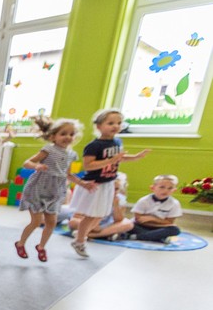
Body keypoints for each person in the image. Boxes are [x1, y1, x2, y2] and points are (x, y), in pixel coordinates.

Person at [69, 108, 150, 258]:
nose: (115, 126)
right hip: (94, 185)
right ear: (99, 126)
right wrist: (110, 160)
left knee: (101, 215)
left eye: (119, 123)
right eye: (110, 123)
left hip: (108, 183)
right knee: (91, 215)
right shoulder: (94, 145)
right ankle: (80, 240)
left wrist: (135, 157)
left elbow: (119, 158)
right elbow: (88, 165)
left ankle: (82, 235)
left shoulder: (117, 141)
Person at [14, 116, 96, 261]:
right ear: (53, 136)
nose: (68, 137)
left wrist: (83, 184)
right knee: (36, 221)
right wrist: (37, 166)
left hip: (56, 190)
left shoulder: (72, 154)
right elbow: (27, 163)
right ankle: (21, 243)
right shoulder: (48, 150)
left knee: (51, 222)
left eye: (71, 134)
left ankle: (41, 247)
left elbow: (68, 174)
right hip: (39, 188)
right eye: (63, 133)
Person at [68, 173, 133, 240]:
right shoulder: (93, 195)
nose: (114, 192)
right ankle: (103, 234)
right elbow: (77, 216)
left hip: (106, 224)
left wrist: (116, 205)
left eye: (116, 189)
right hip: (88, 222)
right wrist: (93, 225)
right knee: (73, 222)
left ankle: (90, 235)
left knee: (128, 224)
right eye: (112, 189)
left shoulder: (120, 199)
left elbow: (119, 219)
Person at [129, 174, 182, 242]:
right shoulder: (144, 200)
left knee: (175, 229)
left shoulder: (174, 203)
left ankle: (138, 236)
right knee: (129, 225)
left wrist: (152, 219)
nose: (166, 191)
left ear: (174, 190)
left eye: (170, 188)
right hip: (141, 225)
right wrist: (155, 222)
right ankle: (158, 238)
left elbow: (169, 222)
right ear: (152, 188)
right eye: (162, 187)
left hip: (159, 227)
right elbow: (139, 219)